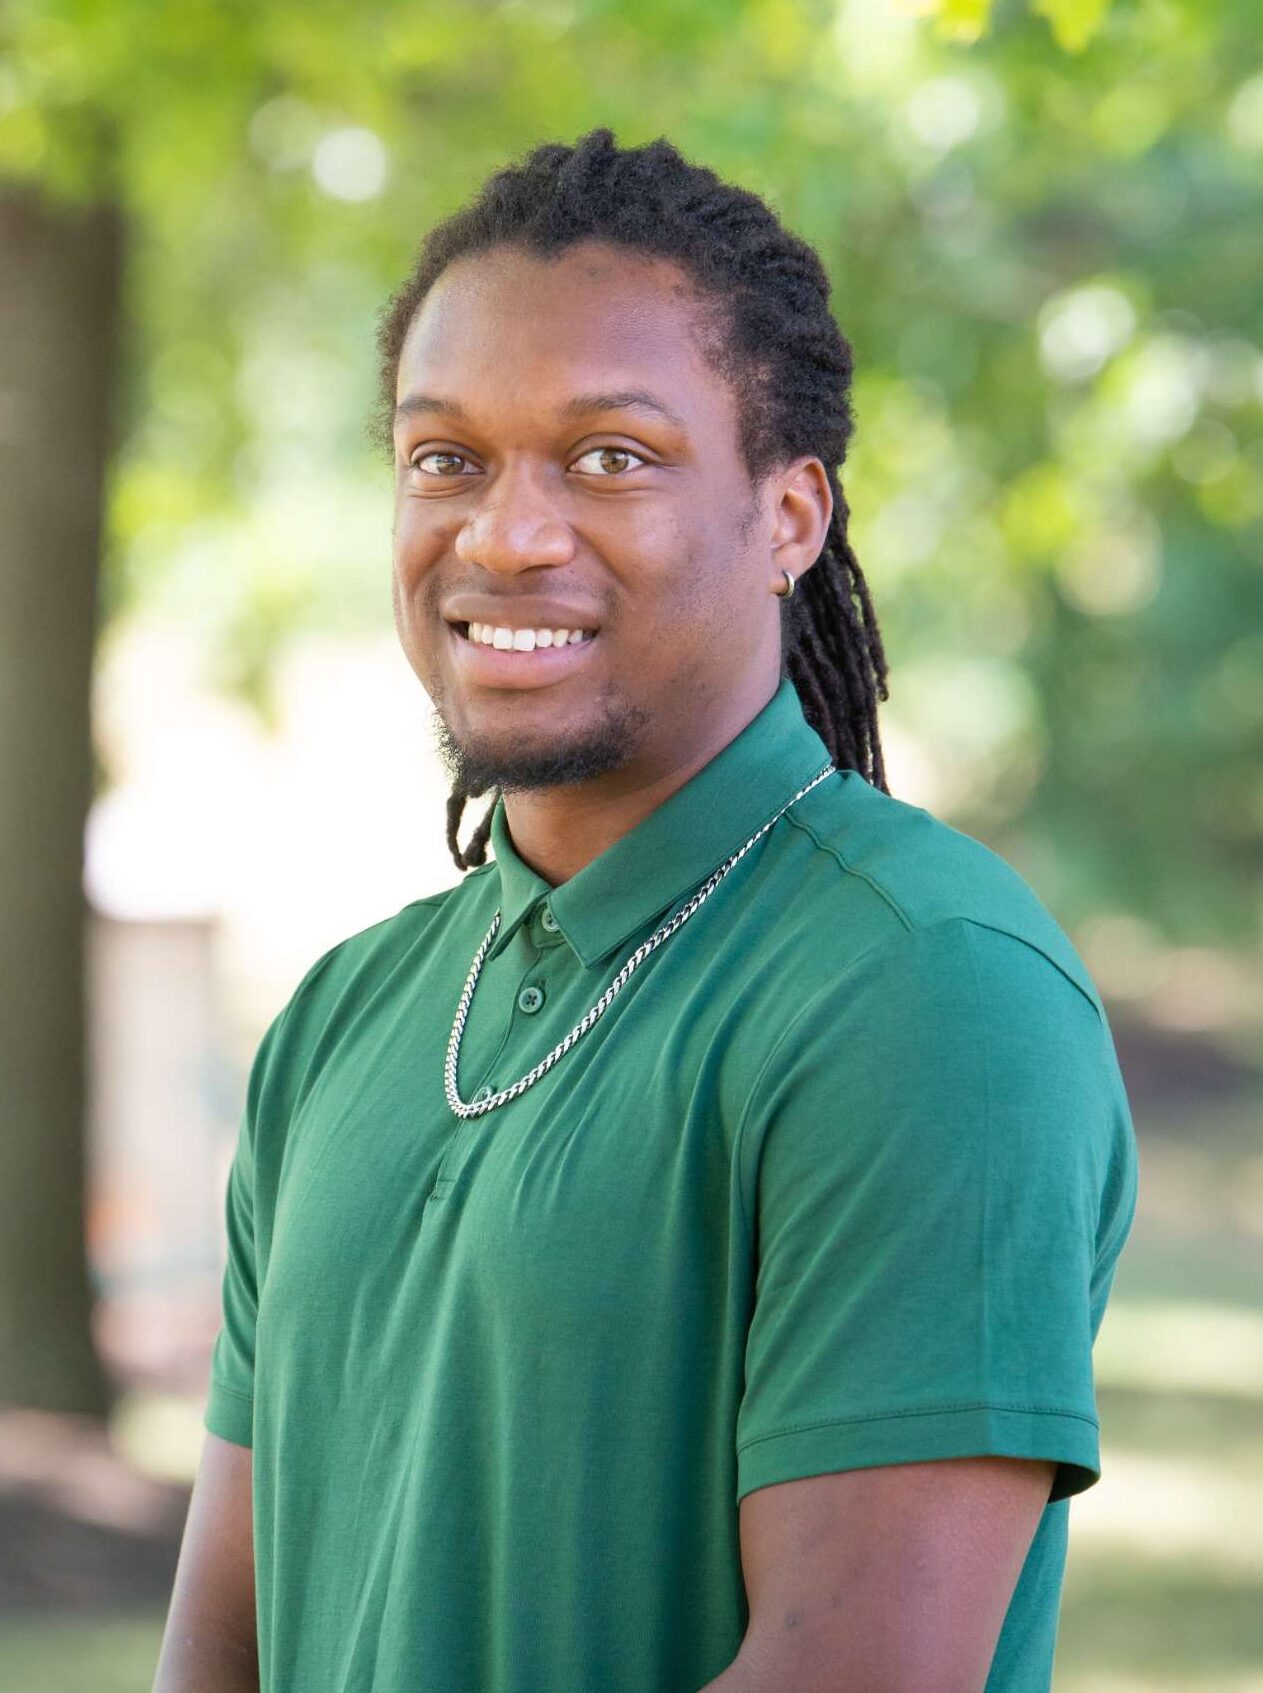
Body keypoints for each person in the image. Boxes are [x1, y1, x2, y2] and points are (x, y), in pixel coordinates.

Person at [153, 127, 1139, 1693]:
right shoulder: (344, 1016)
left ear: (791, 518)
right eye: (445, 457)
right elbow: (220, 1648)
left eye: (610, 457)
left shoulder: (928, 992)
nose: (505, 533)